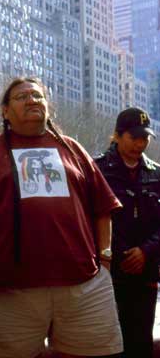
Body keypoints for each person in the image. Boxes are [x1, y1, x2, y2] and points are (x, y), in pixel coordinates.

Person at [0, 77, 123, 358]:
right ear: (4, 111)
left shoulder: (72, 149)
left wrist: (105, 260)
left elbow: (103, 207)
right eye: (21, 97)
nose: (32, 100)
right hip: (10, 292)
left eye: (37, 95)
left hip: (83, 286)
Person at [94, 107, 160, 358]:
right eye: (134, 137)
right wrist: (119, 252)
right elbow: (92, 217)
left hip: (146, 271)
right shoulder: (98, 169)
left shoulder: (156, 173)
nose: (140, 144)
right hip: (110, 271)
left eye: (145, 138)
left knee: (141, 340)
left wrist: (146, 250)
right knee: (109, 339)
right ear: (118, 136)